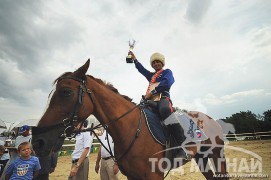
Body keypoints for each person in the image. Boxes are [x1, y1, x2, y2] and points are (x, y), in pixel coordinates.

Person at [129, 51, 188, 159]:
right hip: (151, 101)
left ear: (162, 63)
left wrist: (151, 92)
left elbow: (166, 83)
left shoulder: (167, 72)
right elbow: (142, 70)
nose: (156, 64)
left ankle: (183, 146)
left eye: (158, 62)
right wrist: (135, 60)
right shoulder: (151, 76)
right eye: (154, 63)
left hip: (163, 99)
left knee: (164, 110)